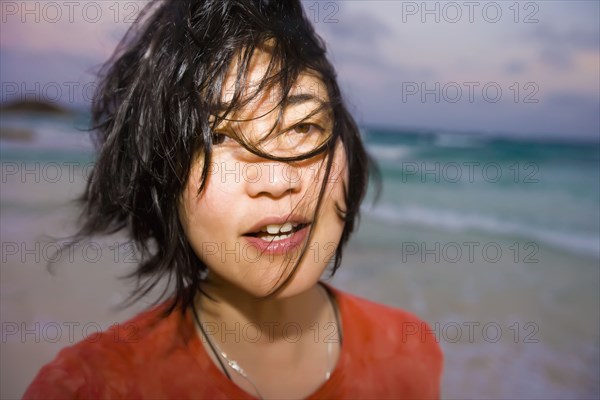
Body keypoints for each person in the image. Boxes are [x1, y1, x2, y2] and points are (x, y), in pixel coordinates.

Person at [24, 0, 443, 398]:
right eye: (218, 137)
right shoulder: (88, 389)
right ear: (161, 180)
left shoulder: (409, 352)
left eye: (303, 127)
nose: (278, 180)